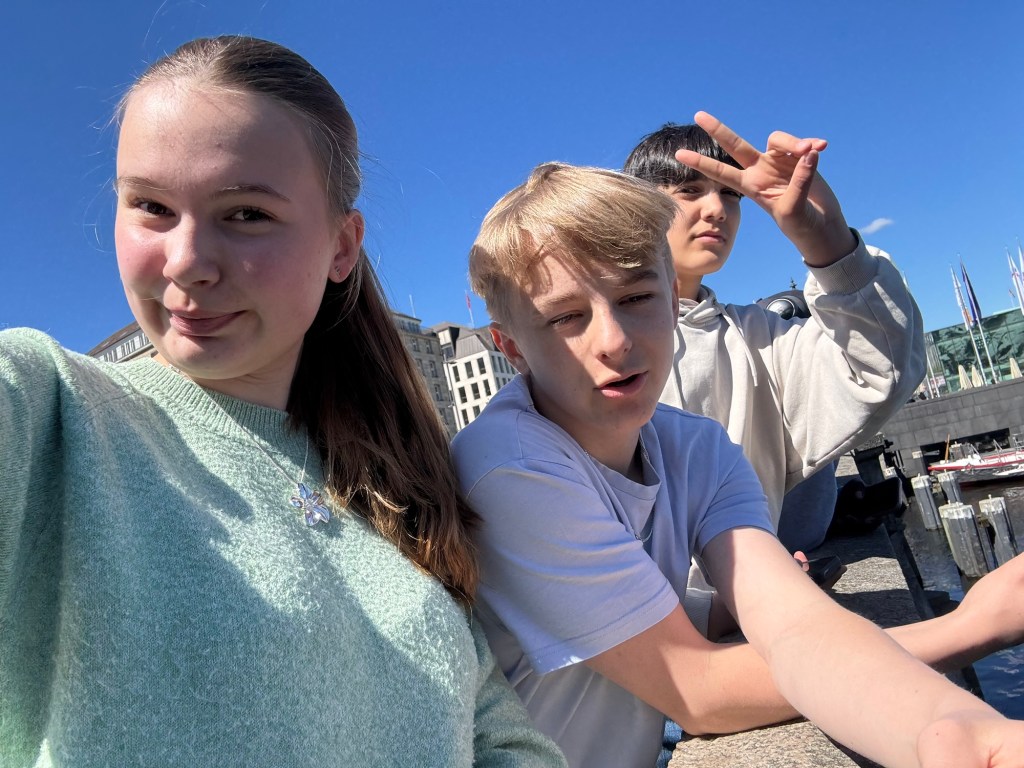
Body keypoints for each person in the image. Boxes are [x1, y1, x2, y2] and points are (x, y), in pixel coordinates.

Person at [0, 36, 566, 768]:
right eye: (151, 206)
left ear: (342, 246)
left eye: (246, 214)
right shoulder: (51, 410)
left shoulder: (397, 484)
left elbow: (503, 743)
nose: (187, 263)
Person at [453, 158, 1024, 768]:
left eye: (637, 296)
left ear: (672, 301)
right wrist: (973, 626)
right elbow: (695, 689)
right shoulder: (508, 466)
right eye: (566, 317)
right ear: (510, 347)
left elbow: (795, 627)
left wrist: (964, 733)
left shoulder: (697, 447)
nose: (614, 340)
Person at [623, 116, 925, 555]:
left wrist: (829, 243)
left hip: (758, 584)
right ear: (634, 209)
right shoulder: (596, 338)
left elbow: (882, 368)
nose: (717, 209)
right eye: (689, 190)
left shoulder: (757, 337)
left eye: (731, 193)